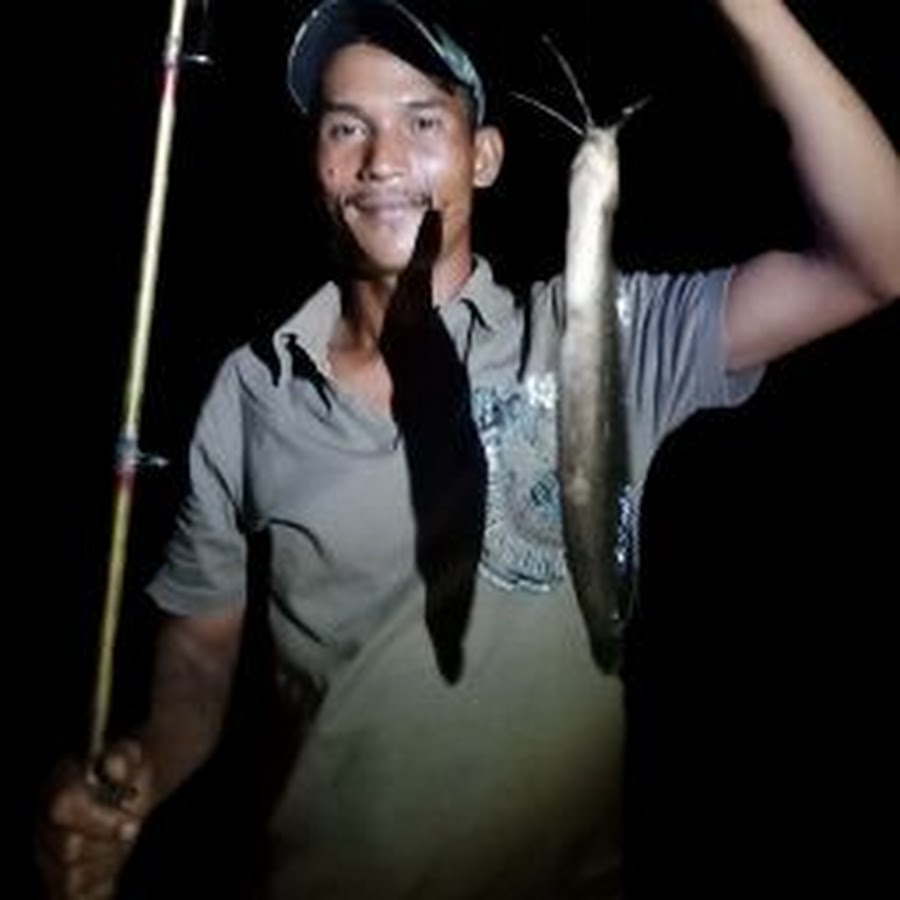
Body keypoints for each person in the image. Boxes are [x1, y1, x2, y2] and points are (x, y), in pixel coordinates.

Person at [36, 1, 900, 898]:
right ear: (316, 161)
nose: (381, 160)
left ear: (483, 156)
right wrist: (145, 764)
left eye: (422, 122)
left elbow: (878, 257)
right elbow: (199, 654)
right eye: (346, 127)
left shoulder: (602, 337)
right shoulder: (252, 391)